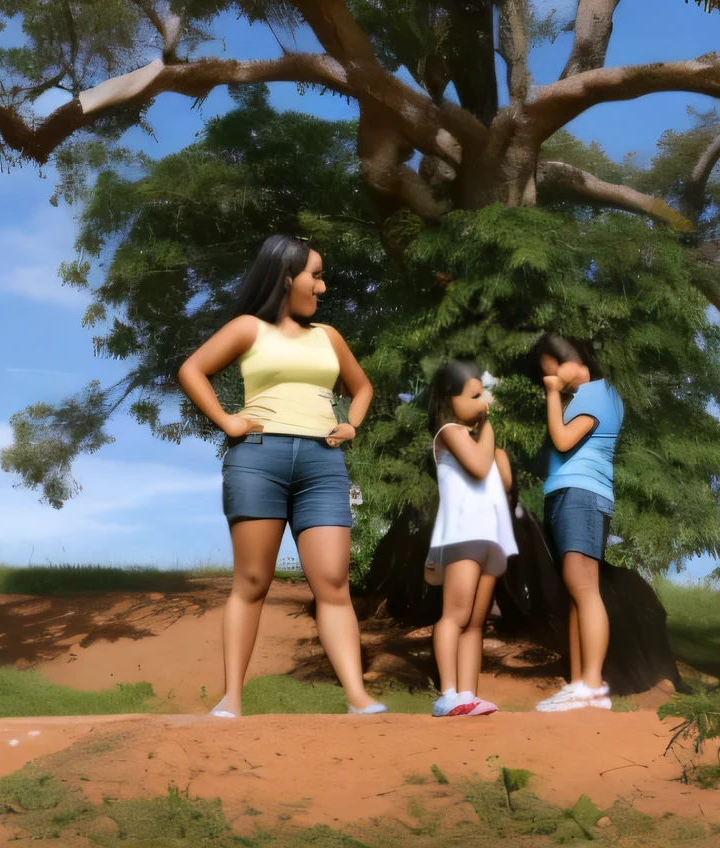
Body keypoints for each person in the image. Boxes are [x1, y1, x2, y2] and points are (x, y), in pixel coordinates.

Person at [177, 235, 385, 717]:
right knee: (252, 579)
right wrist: (227, 420)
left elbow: (362, 385)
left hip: (322, 463)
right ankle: (231, 699)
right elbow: (192, 370)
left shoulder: (329, 337)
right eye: (315, 274)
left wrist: (351, 421)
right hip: (258, 457)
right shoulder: (248, 328)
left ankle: (357, 697)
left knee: (333, 582)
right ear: (286, 277)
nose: (323, 285)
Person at [532, 334, 624, 712]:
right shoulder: (594, 394)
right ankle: (578, 684)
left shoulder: (597, 392)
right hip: (569, 494)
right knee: (575, 592)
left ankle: (592, 685)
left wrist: (553, 395)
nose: (547, 377)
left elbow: (563, 438)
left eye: (548, 369)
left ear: (567, 360)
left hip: (581, 494)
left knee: (584, 588)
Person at [423, 361, 518, 717]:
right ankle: (447, 694)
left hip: (490, 536)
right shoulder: (449, 431)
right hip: (463, 533)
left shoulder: (479, 439)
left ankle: (468, 695)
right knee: (455, 615)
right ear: (450, 399)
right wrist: (489, 423)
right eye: (475, 395)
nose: (484, 401)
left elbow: (504, 480)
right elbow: (479, 467)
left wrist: (492, 432)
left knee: (476, 622)